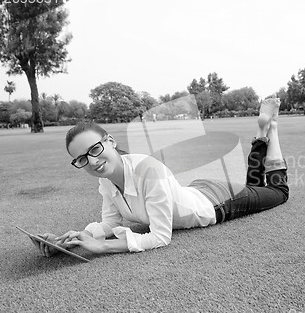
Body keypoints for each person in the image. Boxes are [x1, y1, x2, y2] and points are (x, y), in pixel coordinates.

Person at [36, 97, 288, 256]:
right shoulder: (106, 178)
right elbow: (110, 225)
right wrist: (73, 238)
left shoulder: (148, 170)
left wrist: (101, 246)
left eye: (95, 149)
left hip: (218, 202)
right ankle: (262, 131)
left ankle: (271, 129)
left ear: (110, 141)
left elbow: (160, 237)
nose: (91, 161)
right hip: (194, 190)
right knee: (255, 187)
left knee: (278, 193)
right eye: (81, 159)